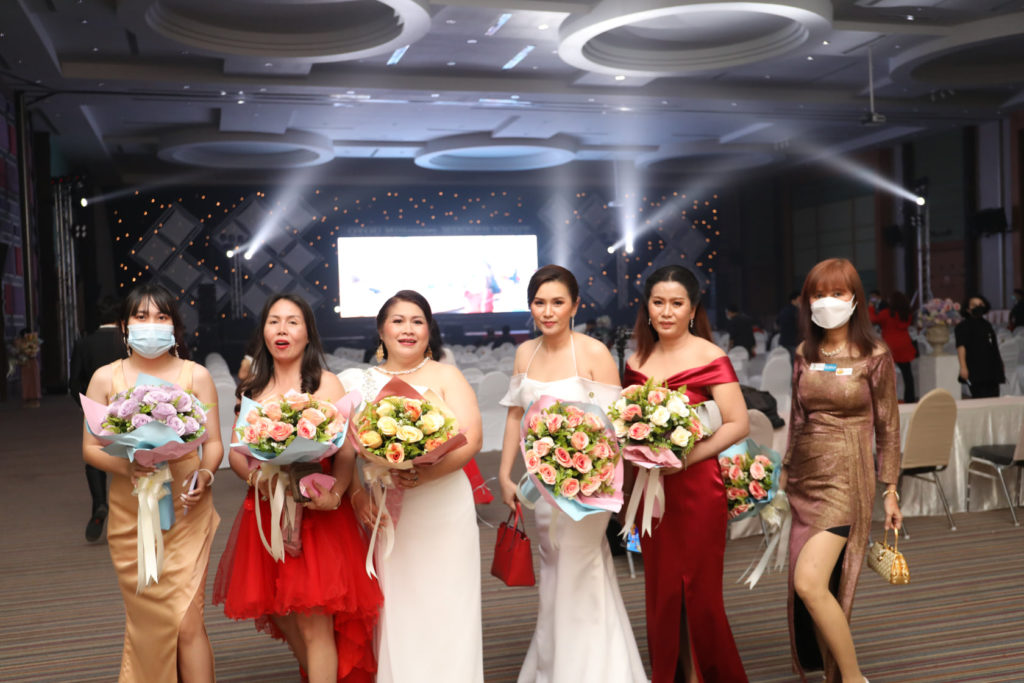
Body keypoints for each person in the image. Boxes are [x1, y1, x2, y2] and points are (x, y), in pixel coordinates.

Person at [213, 293, 381, 683]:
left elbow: (344, 451)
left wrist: (336, 494)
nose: (283, 329)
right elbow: (238, 452)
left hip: (317, 515)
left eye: (293, 321)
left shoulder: (325, 383)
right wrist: (257, 478)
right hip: (266, 514)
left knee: (313, 622)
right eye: (274, 321)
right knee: (280, 613)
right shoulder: (252, 387)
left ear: (308, 333)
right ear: (264, 331)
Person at [497, 265, 646, 683]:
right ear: (530, 306)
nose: (548, 311)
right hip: (542, 486)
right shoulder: (525, 353)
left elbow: (616, 426)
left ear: (575, 306)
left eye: (557, 302)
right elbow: (515, 416)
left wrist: (600, 480)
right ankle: (558, 665)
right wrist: (506, 475)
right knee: (553, 568)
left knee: (580, 565)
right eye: (539, 302)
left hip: (590, 489)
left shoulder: (594, 352)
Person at [81, 283, 222, 682]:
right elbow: (90, 449)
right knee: (151, 621)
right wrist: (129, 467)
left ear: (175, 326)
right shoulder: (105, 378)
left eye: (161, 317)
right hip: (133, 515)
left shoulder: (196, 375)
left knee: (188, 621)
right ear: (125, 326)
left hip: (187, 509)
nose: (151, 324)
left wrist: (205, 473)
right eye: (141, 316)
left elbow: (213, 443)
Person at [622, 265, 749, 683]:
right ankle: (675, 673)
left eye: (676, 303)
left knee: (700, 593)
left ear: (692, 309)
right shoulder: (636, 360)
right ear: (646, 307)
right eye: (658, 302)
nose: (666, 312)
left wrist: (686, 459)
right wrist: (629, 489)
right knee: (662, 592)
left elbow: (738, 423)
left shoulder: (710, 356)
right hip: (652, 494)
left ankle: (705, 675)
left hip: (697, 491)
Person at [350, 290, 484, 682]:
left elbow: (473, 439)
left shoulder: (446, 375)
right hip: (390, 508)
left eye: (417, 321)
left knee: (450, 598)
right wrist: (358, 494)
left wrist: (426, 474)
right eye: (398, 321)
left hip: (444, 505)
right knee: (400, 601)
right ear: (381, 330)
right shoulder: (363, 382)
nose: (407, 329)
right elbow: (347, 450)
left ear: (429, 330)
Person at [782, 258, 903, 683]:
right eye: (818, 294)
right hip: (805, 477)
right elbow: (797, 419)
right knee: (814, 584)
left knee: (810, 582)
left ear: (855, 299)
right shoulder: (804, 353)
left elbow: (889, 426)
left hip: (847, 476)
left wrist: (891, 489)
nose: (827, 301)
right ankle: (832, 672)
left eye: (837, 293)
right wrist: (784, 475)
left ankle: (853, 678)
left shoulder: (875, 355)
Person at [70, 295, 127, 542]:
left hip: (96, 409)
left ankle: (100, 504)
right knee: (131, 457)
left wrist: (88, 406)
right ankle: (131, 514)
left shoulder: (84, 343)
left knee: (94, 458)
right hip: (129, 409)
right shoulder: (127, 341)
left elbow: (74, 383)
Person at [869, 291, 917, 403]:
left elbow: (873, 319)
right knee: (907, 374)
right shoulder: (907, 314)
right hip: (905, 345)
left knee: (886, 375)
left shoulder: (886, 313)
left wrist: (871, 307)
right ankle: (910, 399)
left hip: (890, 346)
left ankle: (885, 399)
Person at [954, 294, 1005, 398]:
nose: (978, 307)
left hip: (991, 368)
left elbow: (993, 346)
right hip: (975, 368)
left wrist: (1000, 363)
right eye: (974, 305)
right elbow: (961, 347)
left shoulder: (987, 325)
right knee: (980, 397)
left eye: (981, 304)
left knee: (994, 397)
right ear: (968, 309)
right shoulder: (962, 326)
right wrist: (963, 367)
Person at [777, 290, 801, 359]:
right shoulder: (796, 311)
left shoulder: (783, 310)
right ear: (793, 300)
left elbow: (777, 323)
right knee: (795, 361)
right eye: (799, 299)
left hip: (783, 341)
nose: (801, 301)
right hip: (793, 342)